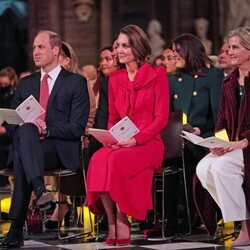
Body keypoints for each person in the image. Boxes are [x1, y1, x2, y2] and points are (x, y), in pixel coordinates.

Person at [0, 30, 89, 249]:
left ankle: (15, 229)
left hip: (56, 151)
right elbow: (10, 125)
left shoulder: (76, 82)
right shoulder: (27, 83)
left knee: (24, 153)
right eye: (33, 48)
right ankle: (40, 189)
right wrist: (25, 127)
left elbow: (76, 128)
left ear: (56, 49)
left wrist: (47, 129)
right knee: (26, 132)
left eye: (41, 47)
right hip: (28, 146)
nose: (35, 52)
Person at [86, 24, 169, 246]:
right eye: (118, 46)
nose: (118, 51)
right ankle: (111, 223)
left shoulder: (158, 74)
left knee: (116, 161)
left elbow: (161, 118)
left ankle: (124, 221)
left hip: (149, 143)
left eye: (125, 45)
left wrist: (136, 139)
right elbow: (113, 117)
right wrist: (112, 138)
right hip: (122, 141)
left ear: (138, 48)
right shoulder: (115, 79)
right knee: (98, 158)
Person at [195, 26, 250, 247]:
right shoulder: (228, 82)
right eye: (229, 47)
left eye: (235, 47)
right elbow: (221, 121)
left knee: (220, 168)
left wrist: (241, 142)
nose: (230, 52)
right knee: (203, 168)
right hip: (233, 145)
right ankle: (241, 221)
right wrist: (218, 142)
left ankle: (246, 229)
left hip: (247, 144)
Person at [168, 33, 224, 233]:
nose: (174, 55)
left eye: (177, 51)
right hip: (177, 138)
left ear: (189, 51)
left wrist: (201, 129)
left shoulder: (213, 75)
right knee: (166, 158)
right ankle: (169, 217)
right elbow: (168, 114)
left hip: (203, 137)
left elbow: (218, 113)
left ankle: (192, 214)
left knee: (190, 153)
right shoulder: (173, 79)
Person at [44, 41, 96, 230]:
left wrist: (83, 131)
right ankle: (43, 200)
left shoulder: (78, 81)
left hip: (79, 134)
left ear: (67, 60)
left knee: (67, 145)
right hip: (55, 134)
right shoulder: (49, 82)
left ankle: (63, 203)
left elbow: (90, 112)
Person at [0, 67, 18, 188]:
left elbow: (15, 116)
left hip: (12, 129)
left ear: (12, 81)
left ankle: (3, 180)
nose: (3, 86)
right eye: (1, 84)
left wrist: (5, 129)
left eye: (6, 84)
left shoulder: (16, 95)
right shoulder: (2, 94)